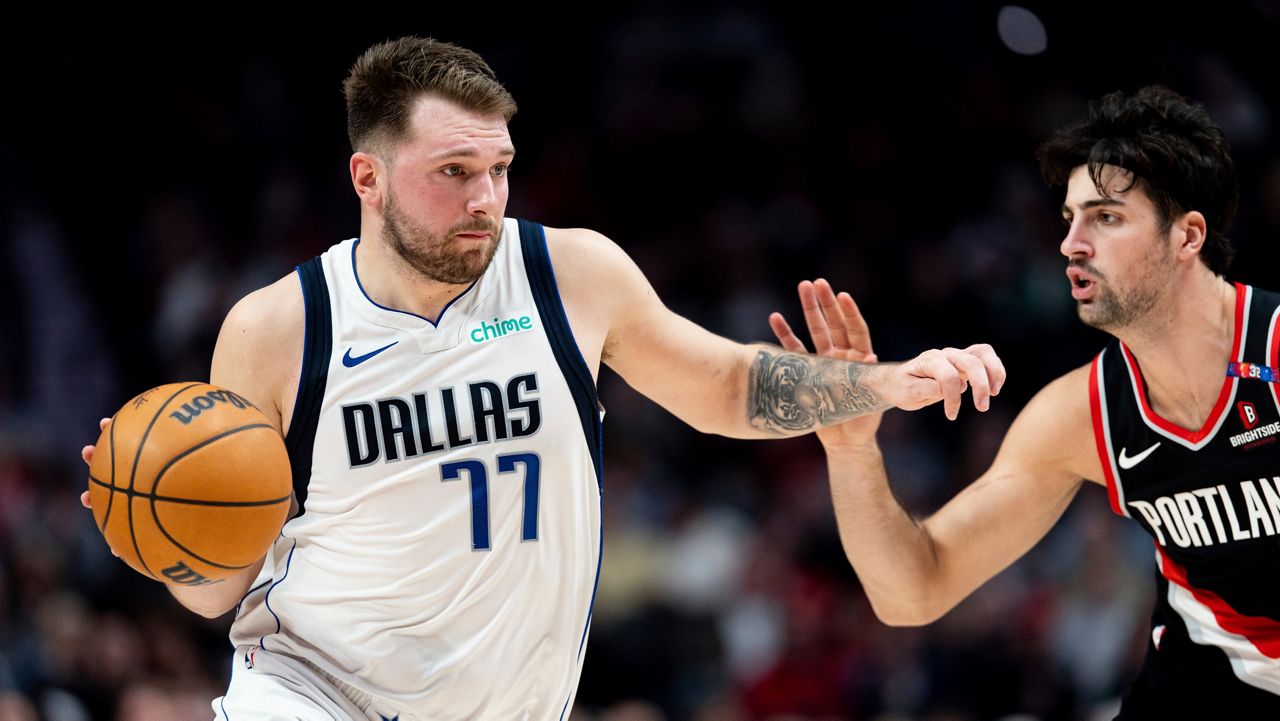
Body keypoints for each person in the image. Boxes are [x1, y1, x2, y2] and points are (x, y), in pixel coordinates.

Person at [79, 37, 1001, 720]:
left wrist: (880, 384)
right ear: (369, 176)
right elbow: (215, 587)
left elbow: (724, 387)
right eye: (453, 172)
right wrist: (158, 527)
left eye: (500, 169)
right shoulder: (278, 328)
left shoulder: (572, 273)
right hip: (309, 695)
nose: (486, 197)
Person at [771, 85, 1280, 718]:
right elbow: (912, 592)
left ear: (1187, 235)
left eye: (1107, 217)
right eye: (1070, 218)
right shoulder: (1080, 414)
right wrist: (851, 448)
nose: (1072, 243)